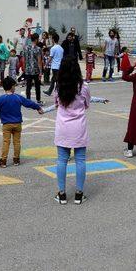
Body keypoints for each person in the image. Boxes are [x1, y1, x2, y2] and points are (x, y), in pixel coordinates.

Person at [43, 56, 108, 205]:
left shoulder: (59, 86)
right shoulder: (83, 86)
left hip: (63, 126)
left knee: (61, 160)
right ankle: (79, 194)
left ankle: (62, 194)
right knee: (80, 160)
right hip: (79, 126)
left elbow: (56, 103)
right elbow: (86, 104)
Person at [0, 77, 42, 168]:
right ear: (11, 87)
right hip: (17, 124)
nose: (15, 88)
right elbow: (28, 103)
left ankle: (3, 160)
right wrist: (38, 107)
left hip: (6, 124)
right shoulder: (18, 97)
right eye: (14, 86)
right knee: (17, 142)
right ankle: (16, 159)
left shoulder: (1, 99)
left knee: (6, 142)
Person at [23, 33, 43, 103]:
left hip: (28, 70)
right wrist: (40, 72)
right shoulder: (38, 49)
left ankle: (28, 100)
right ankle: (38, 100)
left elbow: (24, 59)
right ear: (36, 39)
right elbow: (39, 61)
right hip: (36, 70)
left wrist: (24, 69)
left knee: (28, 86)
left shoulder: (26, 48)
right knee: (37, 86)